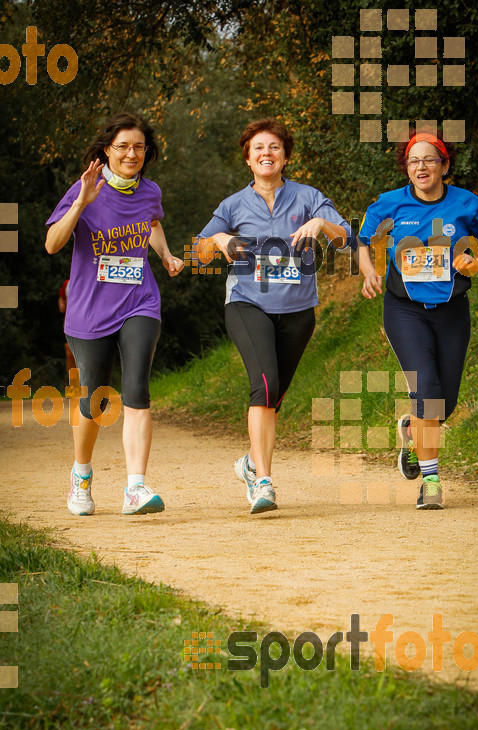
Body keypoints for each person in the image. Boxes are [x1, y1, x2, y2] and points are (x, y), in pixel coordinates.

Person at [196, 118, 353, 513]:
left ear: (285, 157)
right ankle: (263, 481)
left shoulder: (307, 196)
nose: (267, 154)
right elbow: (198, 252)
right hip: (247, 303)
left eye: (274, 148)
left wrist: (321, 222)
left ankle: (250, 463)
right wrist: (218, 238)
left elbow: (346, 237)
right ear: (248, 158)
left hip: (298, 311)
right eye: (258, 148)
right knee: (264, 385)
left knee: (275, 394)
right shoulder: (232, 205)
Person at [45, 112, 183, 516]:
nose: (131, 153)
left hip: (140, 301)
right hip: (90, 309)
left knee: (137, 389)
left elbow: (151, 222)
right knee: (95, 401)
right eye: (122, 146)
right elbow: (53, 243)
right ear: (107, 150)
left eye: (138, 146)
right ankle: (81, 475)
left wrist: (166, 254)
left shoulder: (150, 191)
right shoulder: (85, 188)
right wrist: (81, 204)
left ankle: (135, 489)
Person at [357, 130, 478, 509]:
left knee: (445, 402)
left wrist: (477, 262)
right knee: (427, 394)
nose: (421, 166)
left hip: (452, 310)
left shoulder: (467, 204)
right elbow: (362, 240)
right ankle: (432, 481)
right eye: (413, 161)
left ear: (445, 165)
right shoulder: (389, 204)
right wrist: (369, 270)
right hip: (404, 309)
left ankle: (411, 431)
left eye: (429, 159)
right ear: (407, 169)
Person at [58, 279, 76, 375]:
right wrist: (61, 304)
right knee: (69, 351)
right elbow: (62, 298)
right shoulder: (68, 283)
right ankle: (74, 385)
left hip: (91, 324)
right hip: (71, 324)